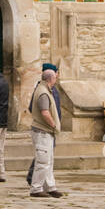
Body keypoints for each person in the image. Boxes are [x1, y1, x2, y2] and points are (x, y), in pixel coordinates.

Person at [29, 68, 63, 198]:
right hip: (43, 131)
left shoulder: (45, 90)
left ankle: (50, 187)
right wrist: (54, 125)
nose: (56, 79)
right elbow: (45, 112)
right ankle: (36, 188)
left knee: (48, 161)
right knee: (42, 161)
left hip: (46, 131)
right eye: (55, 77)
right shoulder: (43, 92)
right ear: (51, 79)